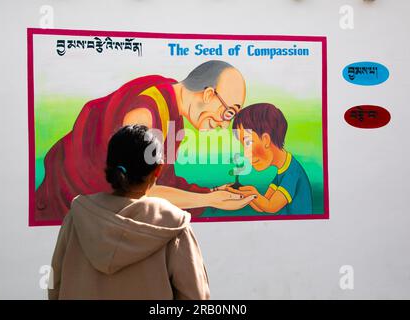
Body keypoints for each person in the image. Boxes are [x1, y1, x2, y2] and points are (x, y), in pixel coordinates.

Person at [35, 60, 249, 222]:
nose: (223, 124)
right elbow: (140, 190)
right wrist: (209, 201)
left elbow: (163, 180)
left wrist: (209, 192)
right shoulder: (145, 113)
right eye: (229, 113)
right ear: (209, 95)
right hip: (74, 209)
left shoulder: (172, 108)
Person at [49, 125, 211, 299]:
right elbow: (196, 296)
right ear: (158, 169)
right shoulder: (174, 226)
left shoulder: (77, 217)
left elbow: (54, 285)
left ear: (110, 167)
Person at [220, 103, 313, 214]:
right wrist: (242, 194)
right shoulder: (283, 169)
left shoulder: (293, 173)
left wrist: (252, 194)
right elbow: (262, 206)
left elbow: (271, 206)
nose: (246, 154)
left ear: (266, 140)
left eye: (248, 142)